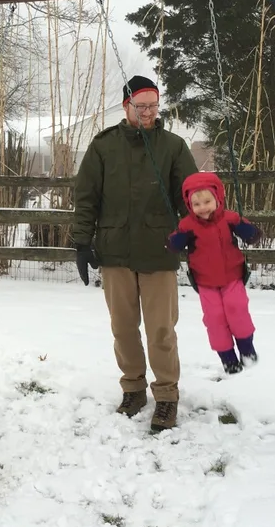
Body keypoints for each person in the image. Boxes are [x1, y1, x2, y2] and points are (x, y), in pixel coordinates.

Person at [72, 75, 198, 432]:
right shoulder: (103, 147)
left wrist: (198, 241)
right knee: (123, 327)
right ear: (126, 106)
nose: (146, 112)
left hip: (160, 251)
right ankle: (133, 389)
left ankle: (167, 396)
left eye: (152, 106)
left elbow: (190, 196)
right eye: (140, 106)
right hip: (115, 252)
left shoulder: (173, 147)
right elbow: (86, 198)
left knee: (161, 329)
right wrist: (82, 242)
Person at [167, 171, 262, 374]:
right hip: (205, 281)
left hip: (232, 277)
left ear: (218, 198)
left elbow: (252, 236)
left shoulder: (230, 219)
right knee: (214, 318)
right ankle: (228, 359)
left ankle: (247, 350)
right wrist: (173, 243)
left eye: (207, 201)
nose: (203, 208)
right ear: (190, 205)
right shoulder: (187, 226)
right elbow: (175, 244)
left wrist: (250, 232)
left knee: (236, 308)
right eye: (197, 204)